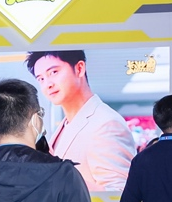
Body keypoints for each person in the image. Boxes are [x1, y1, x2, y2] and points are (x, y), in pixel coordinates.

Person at [26, 50, 135, 191]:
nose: (48, 84)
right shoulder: (65, 125)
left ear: (79, 69)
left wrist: (61, 178)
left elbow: (118, 194)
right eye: (41, 79)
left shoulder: (106, 123)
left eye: (53, 72)